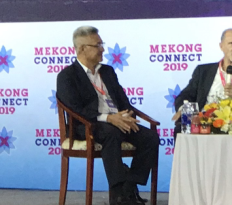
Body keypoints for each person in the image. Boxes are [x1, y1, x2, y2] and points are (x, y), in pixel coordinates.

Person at [56, 25, 160, 205]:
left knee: (150, 137)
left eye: (101, 44)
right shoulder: (67, 75)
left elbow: (122, 100)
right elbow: (75, 109)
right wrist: (109, 118)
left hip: (118, 121)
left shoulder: (107, 71)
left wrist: (126, 115)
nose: (102, 49)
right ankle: (118, 193)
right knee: (111, 133)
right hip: (88, 125)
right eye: (97, 45)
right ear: (82, 49)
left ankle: (129, 187)